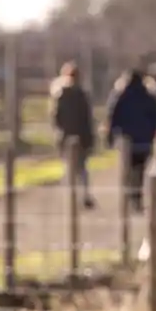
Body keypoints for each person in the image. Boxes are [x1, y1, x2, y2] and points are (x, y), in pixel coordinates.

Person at [106, 69, 156, 213]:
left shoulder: (121, 96)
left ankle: (130, 196)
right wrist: (153, 133)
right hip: (144, 140)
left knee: (128, 168)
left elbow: (114, 117)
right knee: (140, 169)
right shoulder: (149, 97)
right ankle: (137, 196)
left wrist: (111, 136)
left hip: (128, 140)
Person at [50, 62, 96, 209]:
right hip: (81, 137)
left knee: (69, 167)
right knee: (82, 169)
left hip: (66, 136)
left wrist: (59, 132)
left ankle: (71, 197)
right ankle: (84, 195)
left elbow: (56, 117)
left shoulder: (61, 94)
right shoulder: (82, 95)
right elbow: (87, 119)